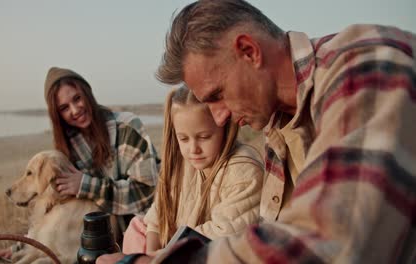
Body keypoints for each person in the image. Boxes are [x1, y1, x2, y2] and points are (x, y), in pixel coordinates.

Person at [99, 0, 416, 263]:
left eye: (217, 95)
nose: (219, 118)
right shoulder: (279, 125)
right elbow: (274, 233)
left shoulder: (365, 64)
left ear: (249, 51)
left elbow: (333, 241)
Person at [0, 67, 160, 261]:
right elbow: (55, 211)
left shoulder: (127, 126)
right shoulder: (68, 148)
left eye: (77, 98)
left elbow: (147, 194)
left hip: (142, 233)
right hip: (94, 239)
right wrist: (23, 245)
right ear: (58, 115)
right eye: (64, 108)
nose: (75, 110)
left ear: (87, 94)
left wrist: (85, 185)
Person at [118, 85, 264, 255]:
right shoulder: (181, 163)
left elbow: (222, 233)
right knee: (137, 226)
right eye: (184, 139)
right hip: (171, 247)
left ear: (224, 128)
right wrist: (152, 253)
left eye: (204, 137)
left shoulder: (244, 171)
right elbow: (157, 217)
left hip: (209, 253)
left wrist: (161, 255)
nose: (193, 149)